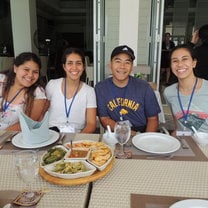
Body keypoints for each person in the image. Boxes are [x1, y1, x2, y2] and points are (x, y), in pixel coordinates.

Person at [95, 45, 161, 135]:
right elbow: (104, 118)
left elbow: (153, 119)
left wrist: (145, 139)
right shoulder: (101, 88)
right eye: (118, 61)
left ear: (132, 67)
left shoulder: (144, 87)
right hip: (115, 132)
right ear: (110, 64)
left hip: (142, 132)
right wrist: (129, 133)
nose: (122, 66)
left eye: (127, 62)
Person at [46, 47, 97, 133]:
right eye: (70, 63)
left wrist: (77, 141)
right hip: (51, 134)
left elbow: (91, 124)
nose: (74, 67)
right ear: (64, 66)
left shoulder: (89, 91)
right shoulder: (52, 85)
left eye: (78, 63)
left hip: (77, 136)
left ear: (83, 67)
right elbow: (42, 113)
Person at [163, 44, 208, 135]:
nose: (180, 64)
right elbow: (178, 127)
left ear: (194, 63)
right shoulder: (168, 92)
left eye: (185, 59)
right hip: (185, 145)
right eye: (175, 61)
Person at [0, 52, 47, 130]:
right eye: (26, 70)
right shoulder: (1, 80)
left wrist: (2, 136)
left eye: (35, 72)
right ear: (15, 68)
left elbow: (28, 123)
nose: (30, 75)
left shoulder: (38, 93)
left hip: (11, 137)